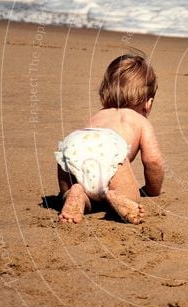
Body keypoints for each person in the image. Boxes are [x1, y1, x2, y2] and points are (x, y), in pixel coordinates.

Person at [54, 52, 165, 224]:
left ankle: (76, 193)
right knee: (130, 195)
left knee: (72, 186)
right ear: (148, 104)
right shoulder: (140, 121)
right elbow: (153, 161)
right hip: (110, 150)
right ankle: (116, 196)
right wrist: (153, 190)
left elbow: (89, 144)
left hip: (75, 145)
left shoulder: (98, 115)